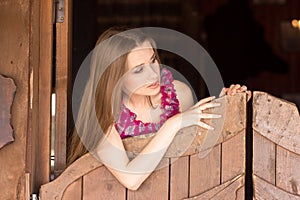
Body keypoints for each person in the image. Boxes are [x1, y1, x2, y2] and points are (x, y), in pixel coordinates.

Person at [68, 26, 250, 190]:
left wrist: (227, 106)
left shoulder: (178, 93)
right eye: (139, 70)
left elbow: (194, 152)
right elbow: (131, 180)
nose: (153, 74)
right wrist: (173, 124)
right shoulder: (103, 117)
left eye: (153, 60)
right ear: (116, 79)